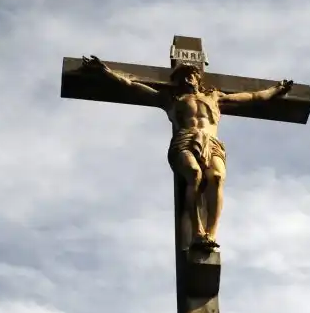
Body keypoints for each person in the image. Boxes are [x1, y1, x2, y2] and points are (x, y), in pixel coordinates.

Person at [81, 55, 293, 250]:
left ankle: (210, 233)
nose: (187, 79)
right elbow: (132, 86)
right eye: (182, 77)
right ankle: (197, 232)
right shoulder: (170, 100)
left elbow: (253, 96)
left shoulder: (215, 98)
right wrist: (106, 72)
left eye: (191, 75)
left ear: (197, 78)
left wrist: (276, 90)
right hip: (185, 140)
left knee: (217, 178)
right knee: (194, 174)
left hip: (211, 141)